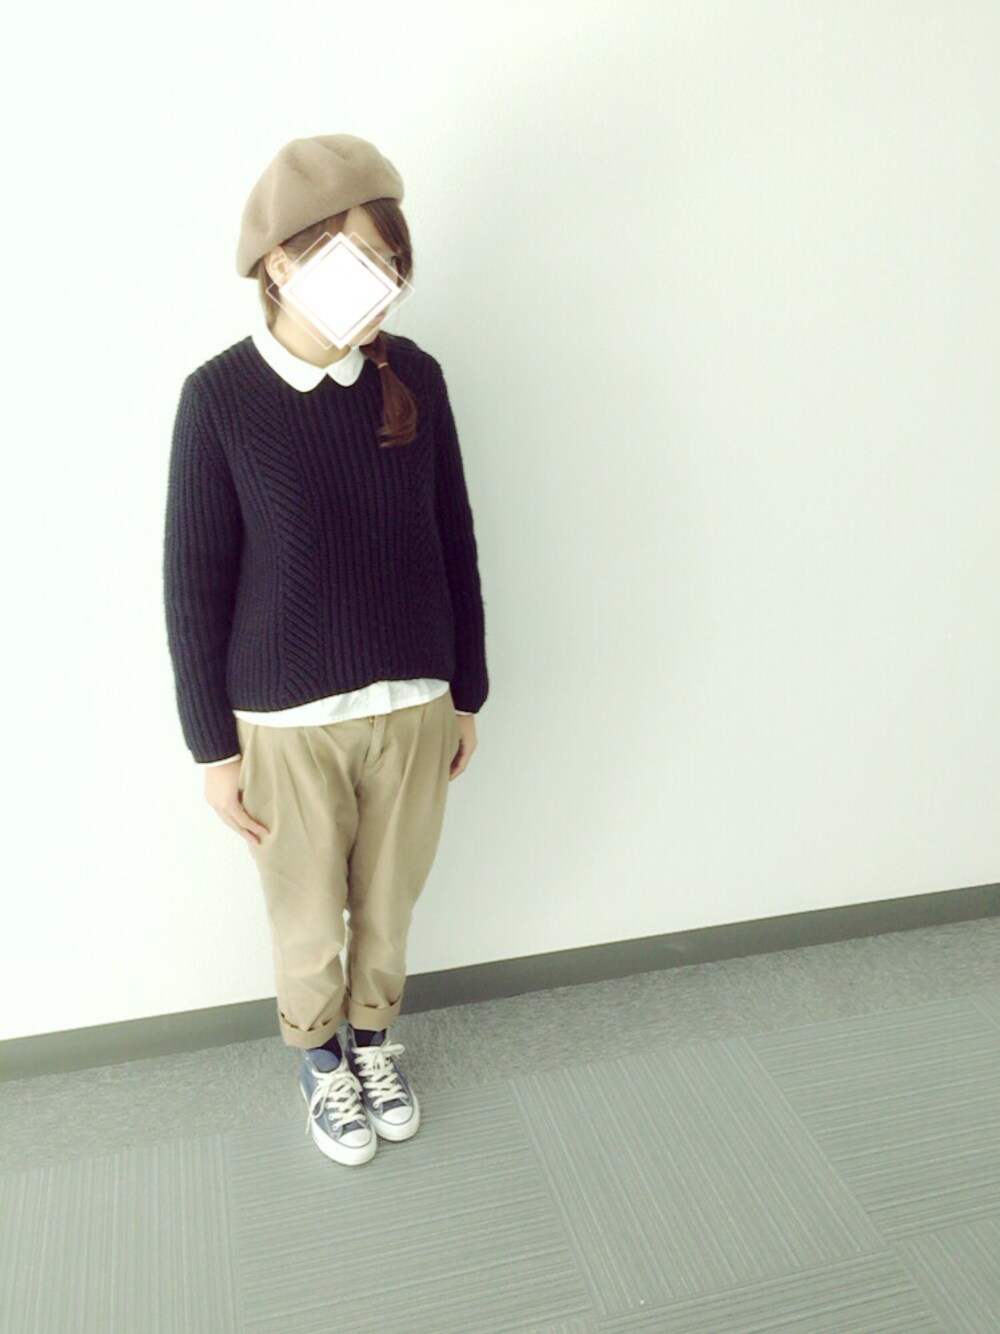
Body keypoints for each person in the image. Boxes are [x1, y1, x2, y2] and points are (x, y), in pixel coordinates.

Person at [162, 134, 489, 1167]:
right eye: (361, 262)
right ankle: (319, 1059)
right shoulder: (219, 398)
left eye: (393, 263)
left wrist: (467, 691)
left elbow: (454, 538)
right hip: (286, 725)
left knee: (389, 907)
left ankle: (375, 1043)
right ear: (280, 263)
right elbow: (192, 582)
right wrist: (213, 750)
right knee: (308, 921)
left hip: (413, 704)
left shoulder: (417, 376)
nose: (385, 286)